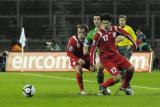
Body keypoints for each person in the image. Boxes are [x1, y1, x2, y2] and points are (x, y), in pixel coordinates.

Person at [90, 14, 137, 95]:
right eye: (103, 23)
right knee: (117, 77)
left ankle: (124, 86)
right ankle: (103, 86)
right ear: (101, 23)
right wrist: (92, 63)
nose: (105, 25)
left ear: (110, 23)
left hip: (116, 56)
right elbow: (93, 49)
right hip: (106, 59)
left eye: (106, 23)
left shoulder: (115, 29)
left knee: (131, 68)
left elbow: (127, 34)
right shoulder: (98, 34)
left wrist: (134, 44)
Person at [83, 14, 110, 94]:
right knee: (100, 68)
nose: (96, 21)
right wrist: (89, 54)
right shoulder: (91, 33)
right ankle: (102, 87)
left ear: (101, 21)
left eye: (98, 19)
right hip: (100, 55)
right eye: (94, 19)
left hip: (111, 54)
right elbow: (85, 48)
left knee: (122, 71)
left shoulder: (109, 29)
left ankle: (126, 86)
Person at [67, 25, 90, 95]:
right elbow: (69, 53)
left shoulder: (89, 39)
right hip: (76, 59)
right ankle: (82, 90)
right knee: (78, 70)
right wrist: (77, 60)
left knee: (97, 68)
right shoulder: (73, 40)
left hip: (86, 59)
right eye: (79, 32)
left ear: (86, 33)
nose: (80, 34)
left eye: (83, 32)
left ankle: (103, 88)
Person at [116, 15, 137, 88]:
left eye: (123, 20)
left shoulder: (129, 28)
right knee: (121, 68)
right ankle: (126, 84)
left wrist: (130, 44)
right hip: (119, 48)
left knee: (125, 66)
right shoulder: (117, 29)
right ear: (118, 21)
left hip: (127, 49)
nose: (121, 22)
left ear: (125, 21)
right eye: (120, 20)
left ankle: (126, 84)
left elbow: (134, 37)